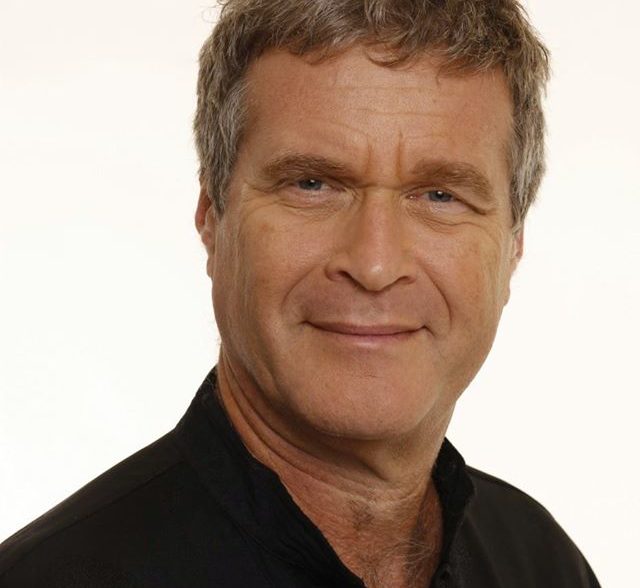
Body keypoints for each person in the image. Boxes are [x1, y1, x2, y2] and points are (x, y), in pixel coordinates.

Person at [0, 1, 602, 586]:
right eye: (312, 184)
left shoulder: (541, 564)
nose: (374, 264)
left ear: (513, 244)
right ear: (212, 217)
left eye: (441, 196)